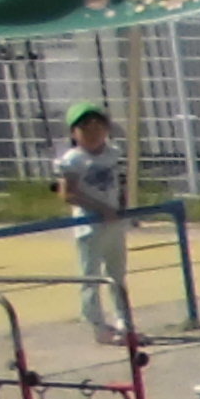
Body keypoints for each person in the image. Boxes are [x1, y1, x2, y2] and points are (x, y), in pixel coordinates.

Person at [54, 103, 138, 351]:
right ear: (73, 133)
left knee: (118, 274)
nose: (92, 132)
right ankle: (97, 325)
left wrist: (122, 205)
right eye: (84, 127)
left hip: (114, 223)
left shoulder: (113, 153)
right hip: (89, 226)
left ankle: (125, 322)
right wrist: (100, 209)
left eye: (98, 125)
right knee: (90, 276)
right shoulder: (73, 160)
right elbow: (67, 193)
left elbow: (119, 182)